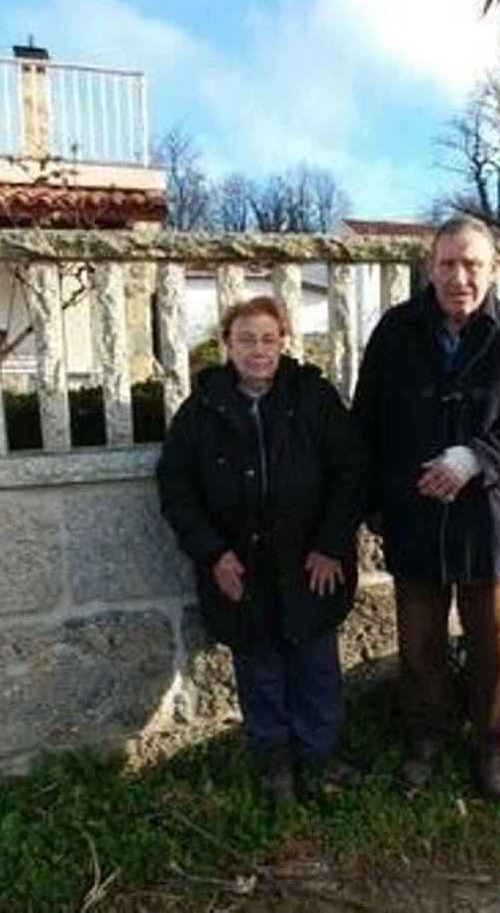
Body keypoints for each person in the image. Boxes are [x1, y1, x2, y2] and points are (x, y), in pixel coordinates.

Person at [352, 214, 500, 800]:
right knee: (419, 639)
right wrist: (373, 505)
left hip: (487, 515)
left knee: (493, 640)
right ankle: (426, 734)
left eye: (472, 264)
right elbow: (366, 422)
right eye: (447, 264)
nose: (459, 276)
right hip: (413, 513)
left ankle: (493, 743)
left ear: (495, 269)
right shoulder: (396, 330)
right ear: (430, 267)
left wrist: (475, 458)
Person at [157, 296, 367, 804]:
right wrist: (213, 554)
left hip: (310, 566)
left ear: (283, 343)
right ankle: (274, 764)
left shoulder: (314, 398)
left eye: (269, 339)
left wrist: (330, 545)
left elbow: (352, 472)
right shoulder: (199, 412)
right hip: (240, 572)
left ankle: (320, 760)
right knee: (260, 669)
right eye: (246, 339)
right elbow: (176, 488)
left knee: (317, 666)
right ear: (226, 345)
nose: (259, 350)